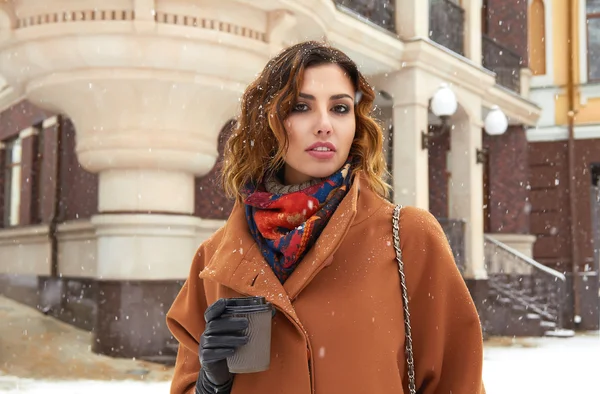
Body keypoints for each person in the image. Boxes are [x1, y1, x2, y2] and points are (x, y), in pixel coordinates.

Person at [166, 41, 486, 394]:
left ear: (356, 122)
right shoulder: (215, 259)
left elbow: (457, 383)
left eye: (339, 108)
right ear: (268, 121)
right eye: (301, 107)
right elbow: (188, 384)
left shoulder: (408, 237)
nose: (324, 125)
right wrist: (209, 386)